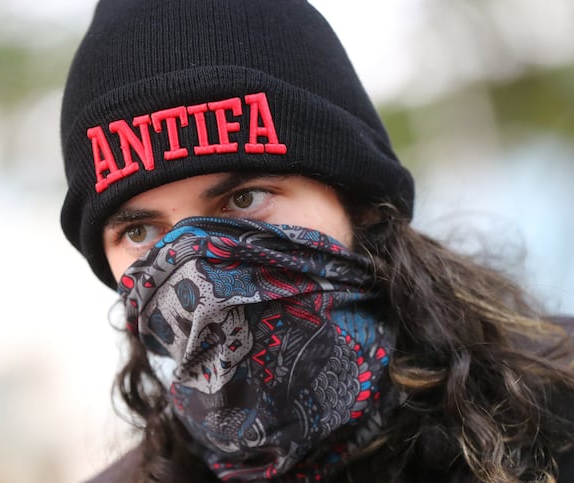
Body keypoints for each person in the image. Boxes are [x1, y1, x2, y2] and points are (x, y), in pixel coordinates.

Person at [59, 0, 574, 481]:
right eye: (140, 232)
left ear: (362, 203)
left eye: (244, 199)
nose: (195, 266)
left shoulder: (557, 416)